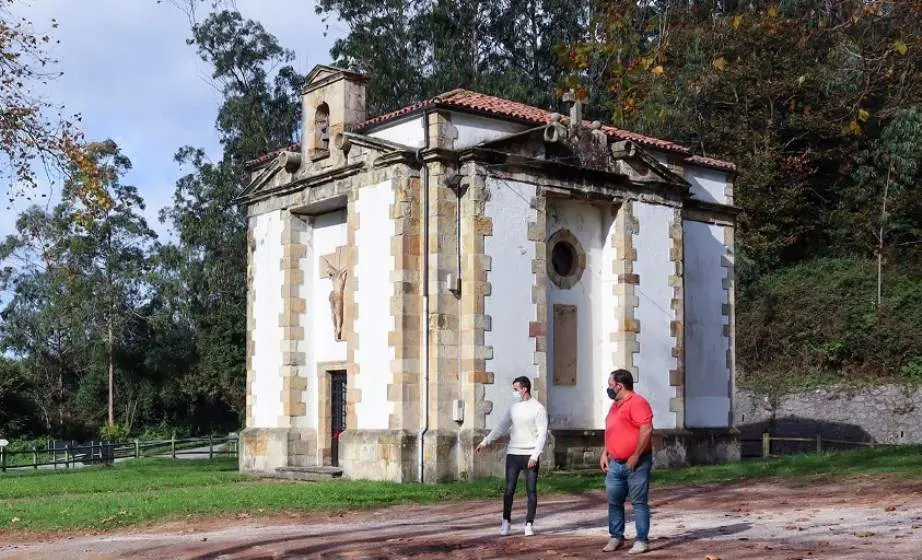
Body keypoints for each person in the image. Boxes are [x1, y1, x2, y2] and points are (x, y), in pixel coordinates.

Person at [475, 376, 549, 537]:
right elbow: (501, 427)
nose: (514, 392)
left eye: (516, 389)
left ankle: (529, 523)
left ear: (525, 389)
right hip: (513, 454)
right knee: (509, 490)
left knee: (531, 491)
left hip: (530, 455)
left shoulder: (538, 409)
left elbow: (542, 435)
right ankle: (506, 521)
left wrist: (535, 456)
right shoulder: (513, 408)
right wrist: (485, 442)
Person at [600, 369, 654, 554]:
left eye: (610, 385)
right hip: (615, 463)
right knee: (614, 502)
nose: (608, 388)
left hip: (636, 463)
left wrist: (636, 455)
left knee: (639, 502)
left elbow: (646, 430)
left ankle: (641, 540)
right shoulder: (615, 405)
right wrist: (605, 452)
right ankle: (616, 536)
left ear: (619, 386)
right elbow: (611, 429)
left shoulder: (638, 403)